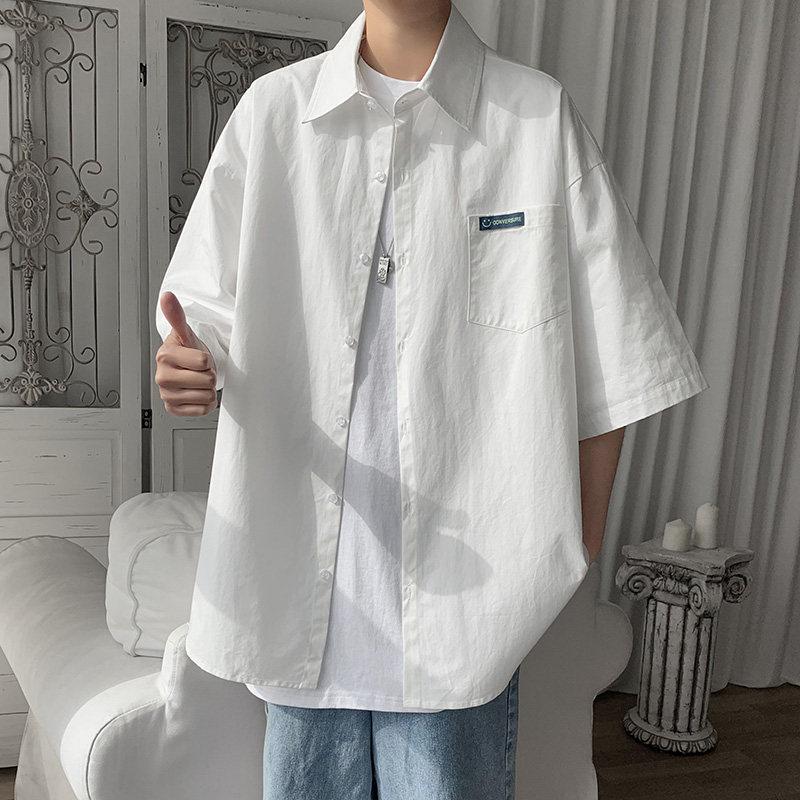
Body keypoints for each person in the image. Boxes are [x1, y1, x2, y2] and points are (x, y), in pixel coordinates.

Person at [154, 1, 709, 798]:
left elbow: (620, 355)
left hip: (468, 614)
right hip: (301, 590)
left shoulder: (534, 118)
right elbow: (201, 309)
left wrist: (576, 546)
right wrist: (189, 362)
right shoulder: (274, 114)